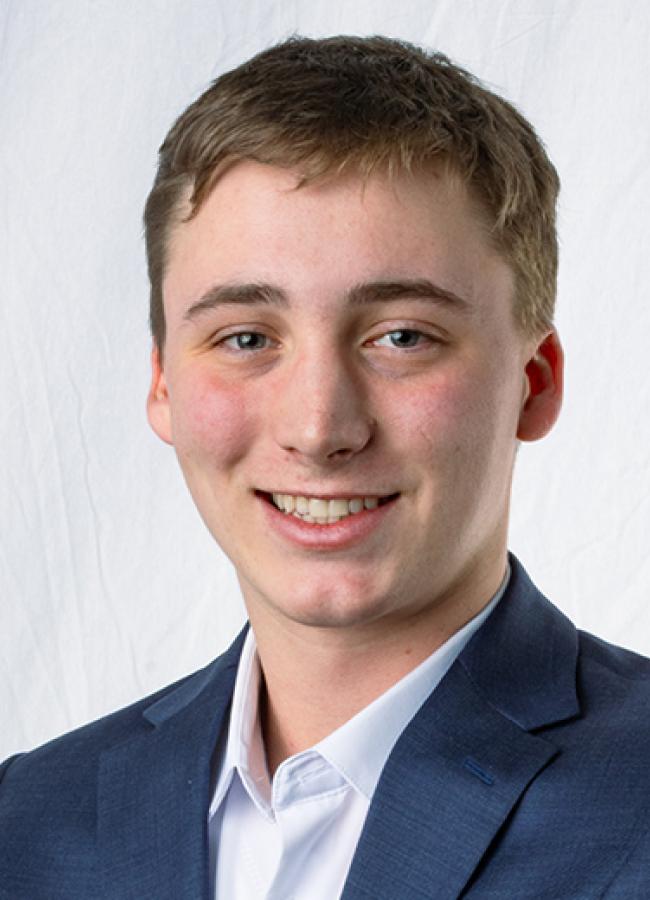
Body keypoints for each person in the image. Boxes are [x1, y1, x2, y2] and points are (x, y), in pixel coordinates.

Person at [1, 34, 649, 900]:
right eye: (245, 339)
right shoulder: (28, 821)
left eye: (402, 337)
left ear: (533, 383)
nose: (317, 428)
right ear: (163, 383)